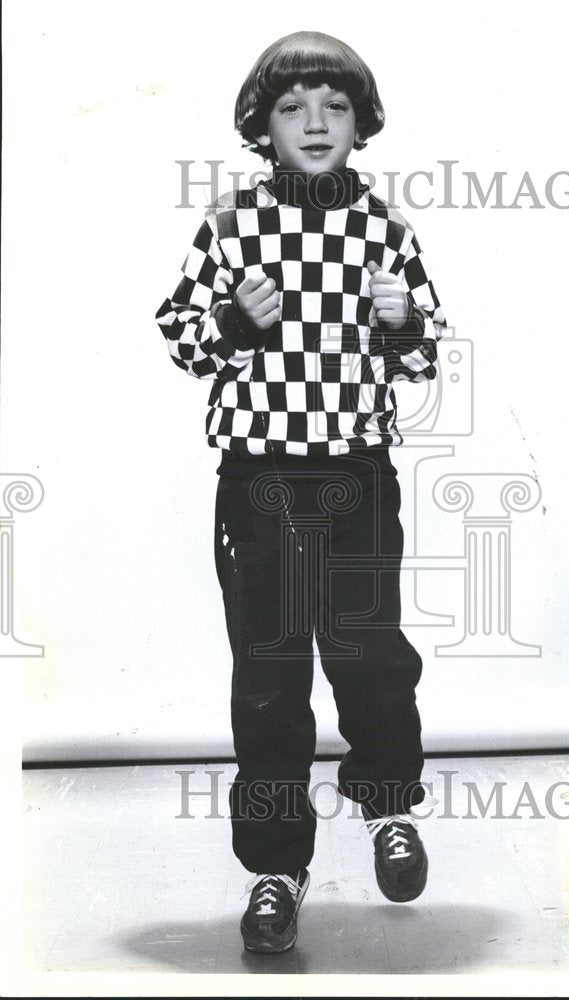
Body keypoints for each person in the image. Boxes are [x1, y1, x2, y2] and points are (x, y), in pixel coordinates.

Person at [155, 29, 446, 954]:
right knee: (271, 678)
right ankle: (277, 868)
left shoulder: (385, 227)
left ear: (362, 124)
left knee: (368, 655)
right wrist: (232, 321)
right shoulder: (233, 224)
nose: (314, 121)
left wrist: (403, 327)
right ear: (260, 126)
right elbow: (181, 334)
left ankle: (389, 805)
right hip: (262, 481)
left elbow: (428, 347)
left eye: (334, 104)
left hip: (358, 476)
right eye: (291, 106)